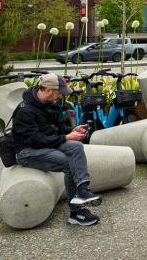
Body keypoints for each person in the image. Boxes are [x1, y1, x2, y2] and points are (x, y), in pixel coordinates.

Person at [12, 73, 101, 226]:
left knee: (77, 147)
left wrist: (73, 130)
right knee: (68, 163)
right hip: (27, 151)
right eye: (59, 92)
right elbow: (34, 140)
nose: (61, 96)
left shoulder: (52, 105)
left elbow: (59, 129)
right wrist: (66, 137)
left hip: (47, 143)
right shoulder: (24, 111)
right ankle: (76, 212)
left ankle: (83, 189)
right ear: (47, 90)